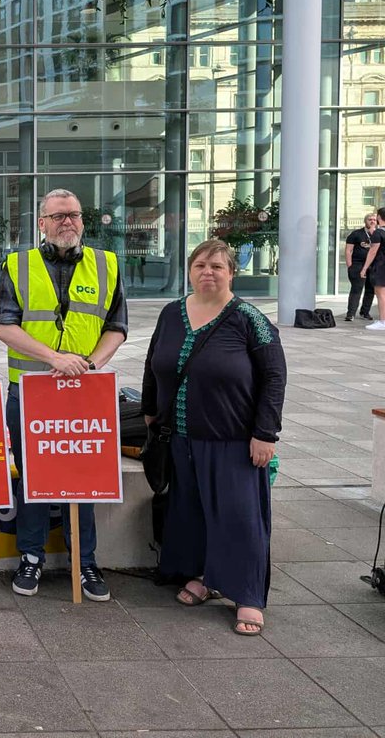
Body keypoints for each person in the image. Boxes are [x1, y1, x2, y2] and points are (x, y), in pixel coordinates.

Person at [141, 238, 286, 635]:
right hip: (181, 438)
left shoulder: (249, 318)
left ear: (231, 273)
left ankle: (248, 594)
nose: (208, 272)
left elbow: (274, 377)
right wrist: (150, 411)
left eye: (217, 266)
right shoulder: (171, 313)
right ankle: (204, 576)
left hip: (233, 439)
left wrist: (265, 433)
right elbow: (153, 364)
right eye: (200, 265)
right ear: (189, 271)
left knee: (240, 518)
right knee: (192, 513)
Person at [0, 188, 127, 602]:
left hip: (83, 391)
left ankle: (84, 561)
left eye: (74, 214)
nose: (67, 222)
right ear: (42, 223)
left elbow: (117, 327)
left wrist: (90, 365)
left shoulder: (107, 264)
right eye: (58, 216)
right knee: (33, 477)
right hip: (30, 390)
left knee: (83, 478)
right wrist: (55, 358)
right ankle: (30, 556)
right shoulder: (18, 265)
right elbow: (4, 325)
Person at [344, 213, 379, 322]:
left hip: (373, 265)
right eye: (370, 219)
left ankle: (365, 312)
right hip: (358, 264)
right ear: (365, 221)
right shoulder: (356, 234)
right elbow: (348, 250)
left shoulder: (379, 234)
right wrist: (350, 265)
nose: (372, 221)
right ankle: (351, 314)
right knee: (356, 289)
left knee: (370, 290)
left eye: (374, 220)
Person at [361, 207, 385, 331]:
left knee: (380, 294)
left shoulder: (378, 233)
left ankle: (383, 321)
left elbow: (373, 251)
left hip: (381, 266)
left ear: (379, 217)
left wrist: (364, 268)